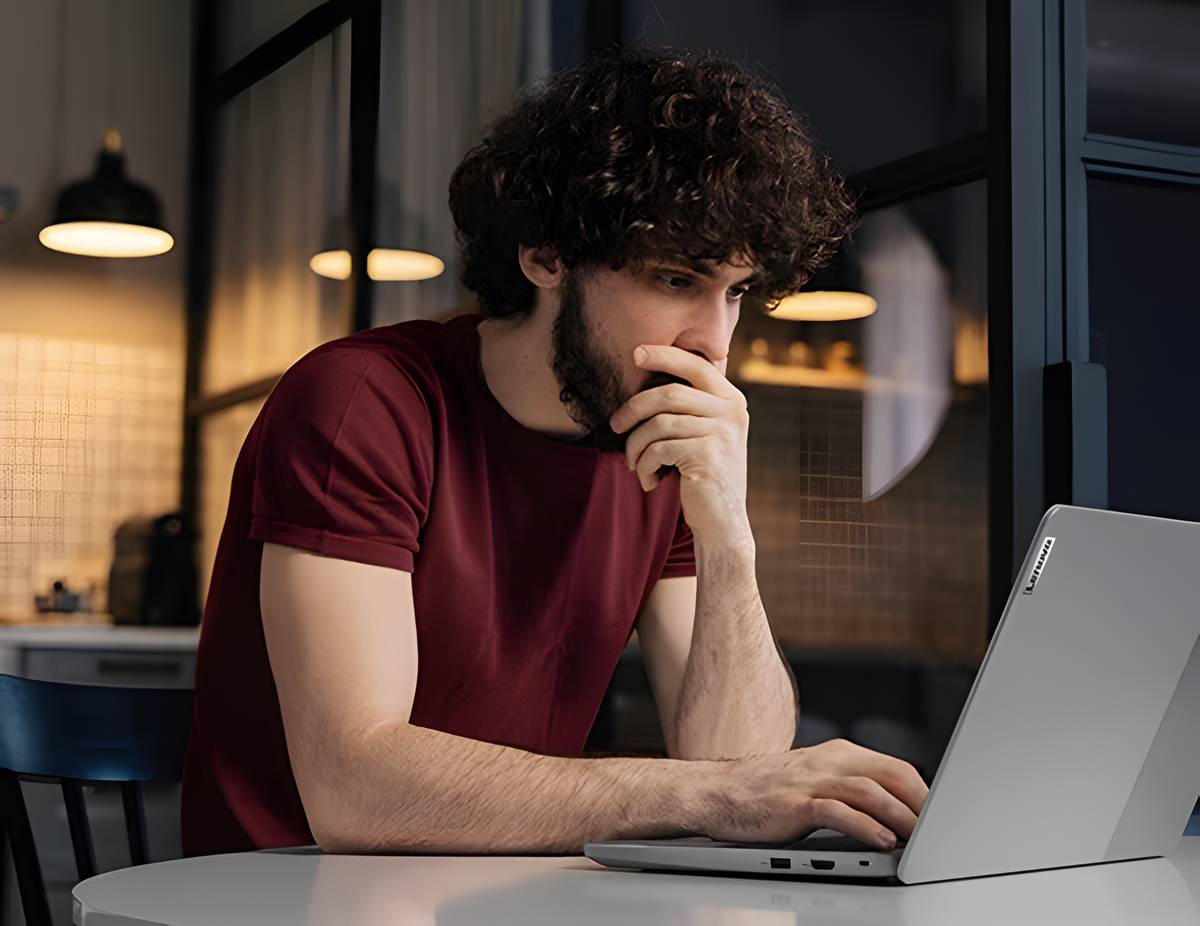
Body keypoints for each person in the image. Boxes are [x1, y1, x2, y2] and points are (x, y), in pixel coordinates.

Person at [182, 46, 928, 857]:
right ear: (543, 254)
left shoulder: (658, 443)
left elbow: (740, 771)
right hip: (287, 897)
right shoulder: (364, 403)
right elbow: (355, 790)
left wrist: (727, 539)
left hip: (508, 897)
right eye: (678, 280)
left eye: (737, 292)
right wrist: (709, 793)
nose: (715, 343)